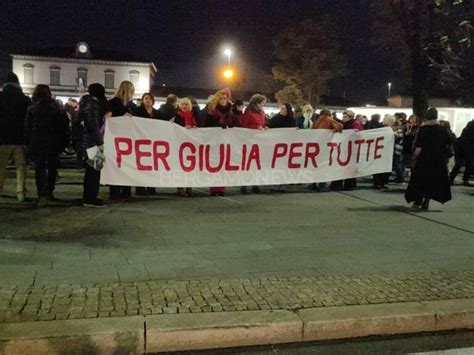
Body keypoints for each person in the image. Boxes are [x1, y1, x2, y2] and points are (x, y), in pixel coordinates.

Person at [24, 85, 69, 206]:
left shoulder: (32, 108)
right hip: (53, 141)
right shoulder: (57, 108)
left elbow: (27, 128)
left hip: (37, 141)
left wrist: (28, 143)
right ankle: (50, 191)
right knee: (52, 167)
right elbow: (64, 126)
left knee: (40, 168)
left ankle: (41, 193)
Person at [405, 108, 452, 210]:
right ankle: (427, 201)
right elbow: (449, 141)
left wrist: (414, 157)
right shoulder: (442, 129)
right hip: (438, 159)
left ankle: (418, 199)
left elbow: (419, 146)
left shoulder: (423, 129)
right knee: (433, 181)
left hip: (424, 159)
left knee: (421, 179)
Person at [0, 72, 31, 202]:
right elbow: (27, 120)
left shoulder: (0, 97)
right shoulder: (25, 99)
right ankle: (21, 192)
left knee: (1, 166)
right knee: (21, 166)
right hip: (19, 137)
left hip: (2, 137)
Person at [204, 88, 239, 196]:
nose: (223, 100)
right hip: (214, 142)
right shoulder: (212, 111)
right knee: (215, 165)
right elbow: (206, 125)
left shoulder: (230, 111)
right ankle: (213, 188)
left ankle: (221, 188)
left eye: (225, 98)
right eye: (221, 99)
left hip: (226, 142)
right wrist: (218, 126)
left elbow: (236, 122)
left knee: (224, 165)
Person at [80, 83, 110, 207]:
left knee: (93, 170)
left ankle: (91, 196)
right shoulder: (92, 106)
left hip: (90, 142)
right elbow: (94, 127)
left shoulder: (87, 104)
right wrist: (100, 142)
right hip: (93, 143)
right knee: (94, 170)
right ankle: (90, 198)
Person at [108, 81, 135, 201]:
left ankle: (125, 191)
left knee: (126, 166)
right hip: (116, 139)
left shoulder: (129, 105)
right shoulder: (114, 103)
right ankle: (115, 192)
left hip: (126, 139)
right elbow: (109, 119)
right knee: (117, 165)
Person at [133, 93, 160, 196]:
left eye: (150, 98)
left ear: (153, 101)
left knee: (152, 165)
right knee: (141, 165)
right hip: (140, 141)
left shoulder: (157, 113)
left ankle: (151, 187)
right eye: (146, 98)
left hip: (153, 142)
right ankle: (140, 188)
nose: (148, 100)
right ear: (142, 100)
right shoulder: (137, 111)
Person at [311, 109, 343, 192]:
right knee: (323, 165)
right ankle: (322, 185)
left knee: (315, 165)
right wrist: (334, 130)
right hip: (325, 145)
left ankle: (313, 184)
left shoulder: (317, 120)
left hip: (316, 146)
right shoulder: (328, 119)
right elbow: (340, 126)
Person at [240, 94, 267, 194]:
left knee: (257, 164)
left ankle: (255, 184)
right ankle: (244, 185)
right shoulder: (248, 112)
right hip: (249, 141)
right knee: (247, 163)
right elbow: (244, 125)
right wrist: (256, 128)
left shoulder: (261, 112)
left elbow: (262, 123)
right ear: (258, 102)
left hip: (259, 141)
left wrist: (264, 127)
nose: (264, 104)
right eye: (263, 102)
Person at [330, 110, 361, 191]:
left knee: (348, 167)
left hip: (350, 149)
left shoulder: (355, 124)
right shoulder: (343, 124)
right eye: (343, 117)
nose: (343, 118)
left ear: (350, 117)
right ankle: (339, 184)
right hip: (343, 148)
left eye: (345, 117)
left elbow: (357, 133)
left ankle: (348, 185)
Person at [174, 97, 197, 197]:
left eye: (186, 104)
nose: (184, 106)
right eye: (183, 104)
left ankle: (189, 186)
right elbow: (175, 128)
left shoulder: (193, 116)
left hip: (190, 146)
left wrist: (195, 128)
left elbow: (196, 124)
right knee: (180, 166)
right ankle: (180, 187)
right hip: (180, 145)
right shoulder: (177, 116)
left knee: (190, 166)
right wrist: (184, 128)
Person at [450, 120, 474, 186]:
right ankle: (465, 180)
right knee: (469, 163)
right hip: (469, 147)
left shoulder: (466, 129)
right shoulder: (471, 129)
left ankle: (451, 178)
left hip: (461, 146)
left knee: (459, 164)